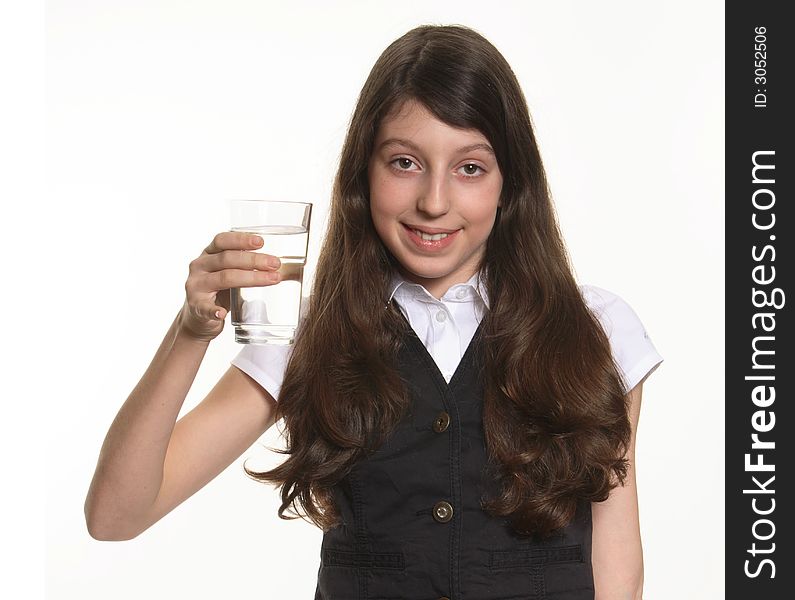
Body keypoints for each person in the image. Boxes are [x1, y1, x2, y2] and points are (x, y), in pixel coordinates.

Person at [85, 24, 663, 600]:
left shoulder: (598, 329)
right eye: (405, 162)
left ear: (510, 184)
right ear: (364, 172)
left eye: (470, 168)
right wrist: (190, 333)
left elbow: (616, 571)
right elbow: (116, 516)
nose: (434, 203)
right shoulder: (311, 333)